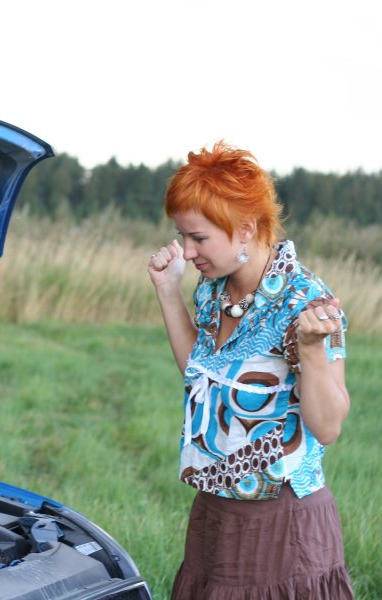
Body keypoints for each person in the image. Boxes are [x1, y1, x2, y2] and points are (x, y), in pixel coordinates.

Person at [147, 141, 354, 599]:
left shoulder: (308, 301)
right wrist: (168, 290)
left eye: (198, 238)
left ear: (245, 229)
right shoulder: (212, 290)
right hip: (218, 500)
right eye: (182, 236)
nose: (186, 250)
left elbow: (328, 425)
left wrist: (312, 349)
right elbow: (200, 374)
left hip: (280, 518)